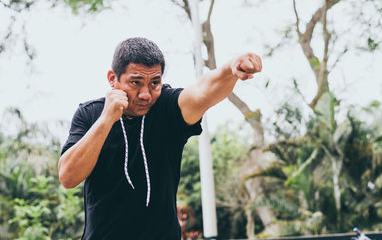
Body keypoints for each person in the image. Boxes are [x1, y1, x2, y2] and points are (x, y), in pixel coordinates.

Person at [58, 37, 262, 240]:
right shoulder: (90, 114)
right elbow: (68, 177)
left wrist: (230, 68)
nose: (145, 94)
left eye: (154, 83)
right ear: (113, 79)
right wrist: (106, 120)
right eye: (136, 82)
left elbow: (201, 93)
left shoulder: (166, 107)